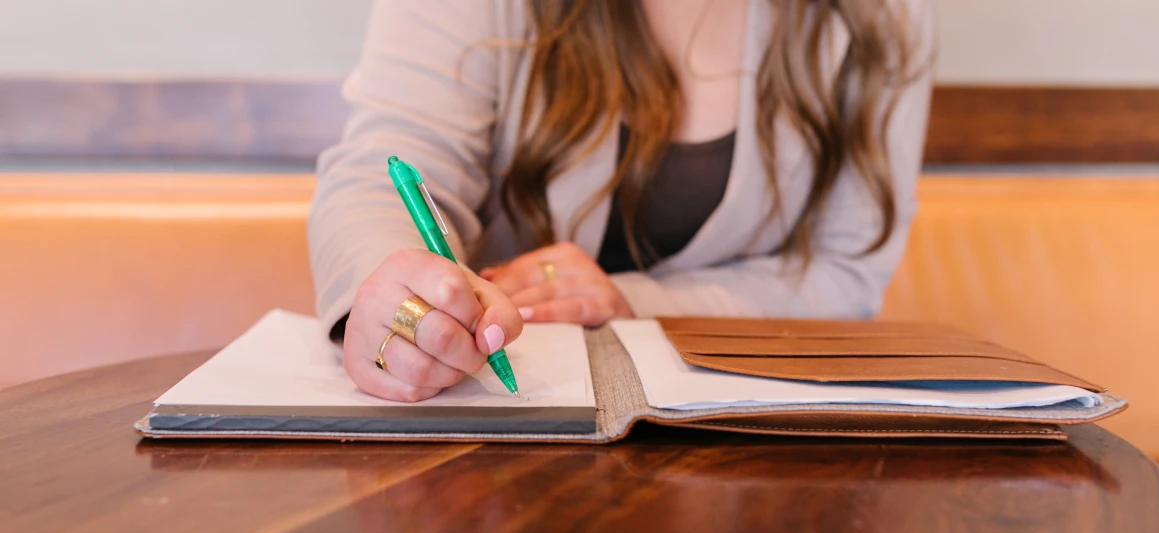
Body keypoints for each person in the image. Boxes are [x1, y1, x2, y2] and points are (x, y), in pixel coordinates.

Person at [308, 0, 935, 402]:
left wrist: (631, 301)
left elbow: (845, 273)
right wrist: (395, 290)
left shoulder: (882, 16)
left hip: (744, 462)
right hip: (498, 435)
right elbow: (383, 171)